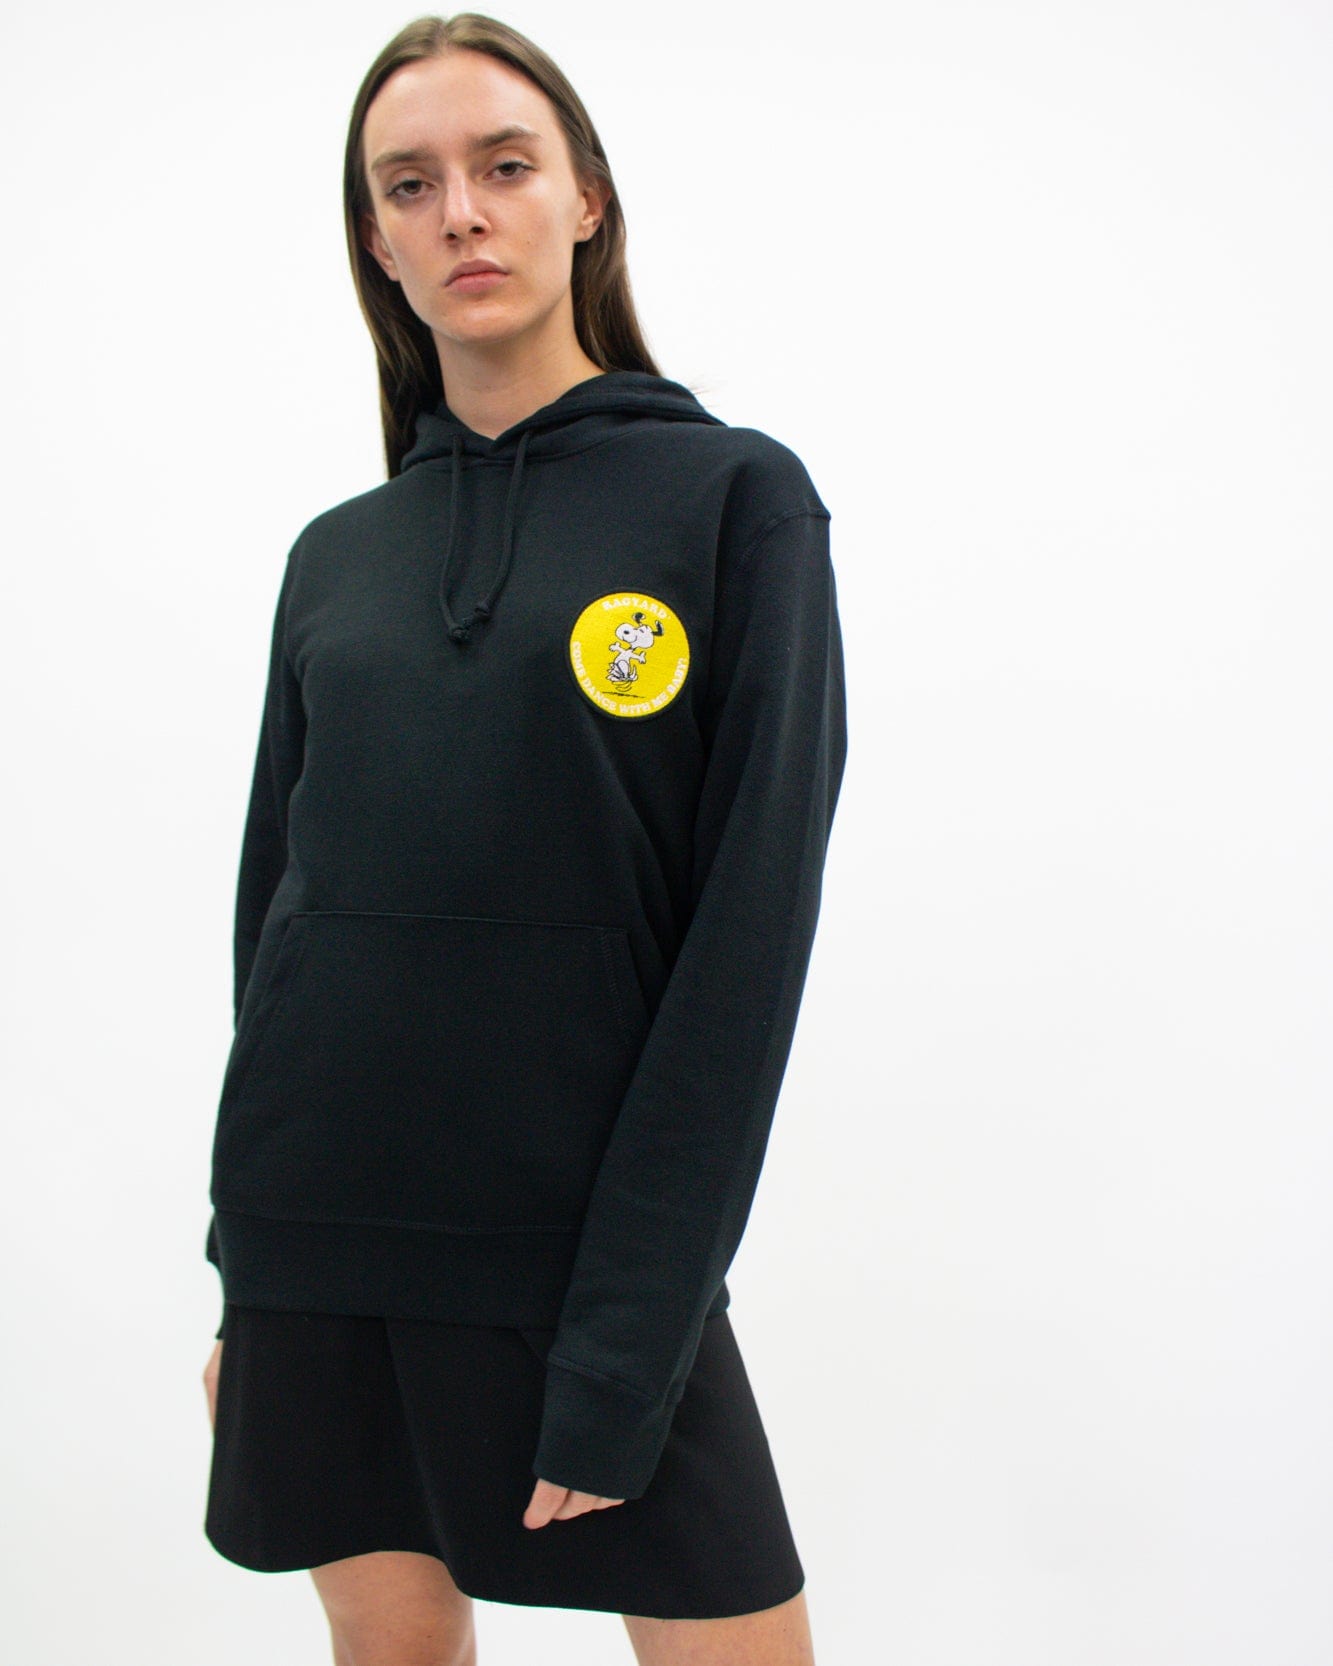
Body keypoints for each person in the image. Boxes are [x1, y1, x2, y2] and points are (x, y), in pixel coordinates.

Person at [200, 11, 848, 1663]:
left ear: (586, 198)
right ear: (376, 239)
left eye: (504, 166)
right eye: (409, 185)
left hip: (582, 1265)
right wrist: (244, 1273)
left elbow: (742, 950)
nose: (462, 214)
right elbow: (276, 926)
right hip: (320, 1247)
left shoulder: (733, 502)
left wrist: (630, 1337)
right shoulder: (336, 556)